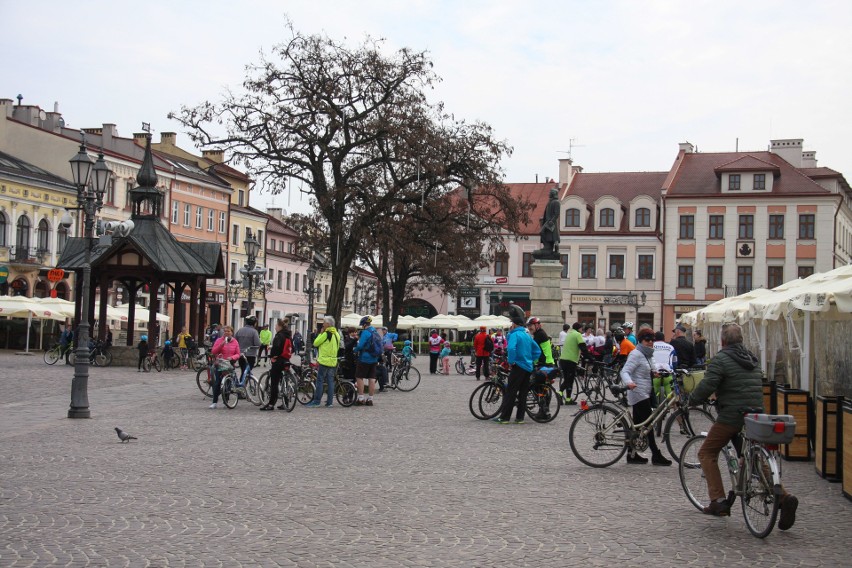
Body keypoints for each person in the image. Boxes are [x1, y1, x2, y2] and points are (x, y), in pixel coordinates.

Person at [688, 323, 798, 527]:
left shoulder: (720, 359)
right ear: (741, 340)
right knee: (754, 458)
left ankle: (718, 501)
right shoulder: (753, 359)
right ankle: (783, 496)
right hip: (755, 415)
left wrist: (691, 399)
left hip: (732, 416)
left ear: (722, 341)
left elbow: (708, 385)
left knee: (707, 452)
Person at [620, 328, 673, 466]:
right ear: (641, 341)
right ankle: (656, 455)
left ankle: (631, 455)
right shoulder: (636, 354)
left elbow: (649, 369)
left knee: (638, 426)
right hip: (638, 393)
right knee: (648, 425)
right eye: (647, 340)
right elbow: (625, 371)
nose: (650, 342)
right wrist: (629, 383)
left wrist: (656, 373)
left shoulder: (648, 355)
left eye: (652, 340)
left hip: (645, 392)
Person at [493, 315, 541, 424]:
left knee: (511, 391)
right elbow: (537, 350)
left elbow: (511, 348)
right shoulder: (527, 335)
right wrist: (530, 359)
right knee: (523, 393)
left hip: (518, 366)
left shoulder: (514, 334)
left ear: (514, 324)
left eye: (511, 324)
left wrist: (511, 361)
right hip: (528, 367)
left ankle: (504, 418)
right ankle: (520, 418)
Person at [307, 316, 341, 407]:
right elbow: (338, 347)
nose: (323, 324)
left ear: (328, 324)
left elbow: (315, 343)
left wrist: (321, 334)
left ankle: (317, 401)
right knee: (330, 381)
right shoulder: (337, 334)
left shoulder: (326, 334)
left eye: (324, 323)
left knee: (320, 380)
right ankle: (329, 402)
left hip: (324, 360)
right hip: (333, 361)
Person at [261, 318, 292, 411]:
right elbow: (292, 348)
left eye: (276, 325)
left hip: (278, 361)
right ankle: (285, 402)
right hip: (286, 360)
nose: (275, 327)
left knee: (274, 382)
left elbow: (276, 348)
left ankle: (271, 404)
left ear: (279, 326)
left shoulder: (279, 336)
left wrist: (272, 356)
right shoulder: (288, 335)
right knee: (284, 381)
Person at [209, 326, 241, 409]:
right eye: (225, 331)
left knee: (228, 384)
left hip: (230, 365)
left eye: (228, 331)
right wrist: (222, 344)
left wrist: (232, 358)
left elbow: (238, 354)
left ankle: (226, 401)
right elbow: (213, 351)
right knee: (217, 383)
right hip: (220, 364)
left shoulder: (235, 342)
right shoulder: (219, 340)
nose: (226, 333)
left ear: (232, 332)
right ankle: (214, 402)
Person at [558, 322, 587, 405]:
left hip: (563, 359)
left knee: (569, 380)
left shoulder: (569, 333)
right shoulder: (577, 334)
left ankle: (568, 399)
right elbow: (583, 347)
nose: (582, 330)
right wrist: (589, 357)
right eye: (581, 328)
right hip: (570, 360)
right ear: (578, 328)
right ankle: (559, 393)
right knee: (568, 380)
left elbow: (573, 346)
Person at [354, 316, 380, 406]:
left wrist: (355, 349)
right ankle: (370, 399)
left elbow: (360, 345)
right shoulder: (375, 331)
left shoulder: (366, 332)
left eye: (362, 325)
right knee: (371, 378)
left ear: (365, 325)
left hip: (364, 358)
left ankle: (361, 398)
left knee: (359, 377)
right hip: (374, 358)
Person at [536, 187, 561, 257]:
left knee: (545, 233)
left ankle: (549, 247)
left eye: (550, 192)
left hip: (550, 222)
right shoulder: (550, 202)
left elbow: (557, 214)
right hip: (546, 221)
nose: (549, 194)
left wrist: (552, 221)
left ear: (553, 194)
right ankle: (548, 247)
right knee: (547, 235)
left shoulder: (556, 202)